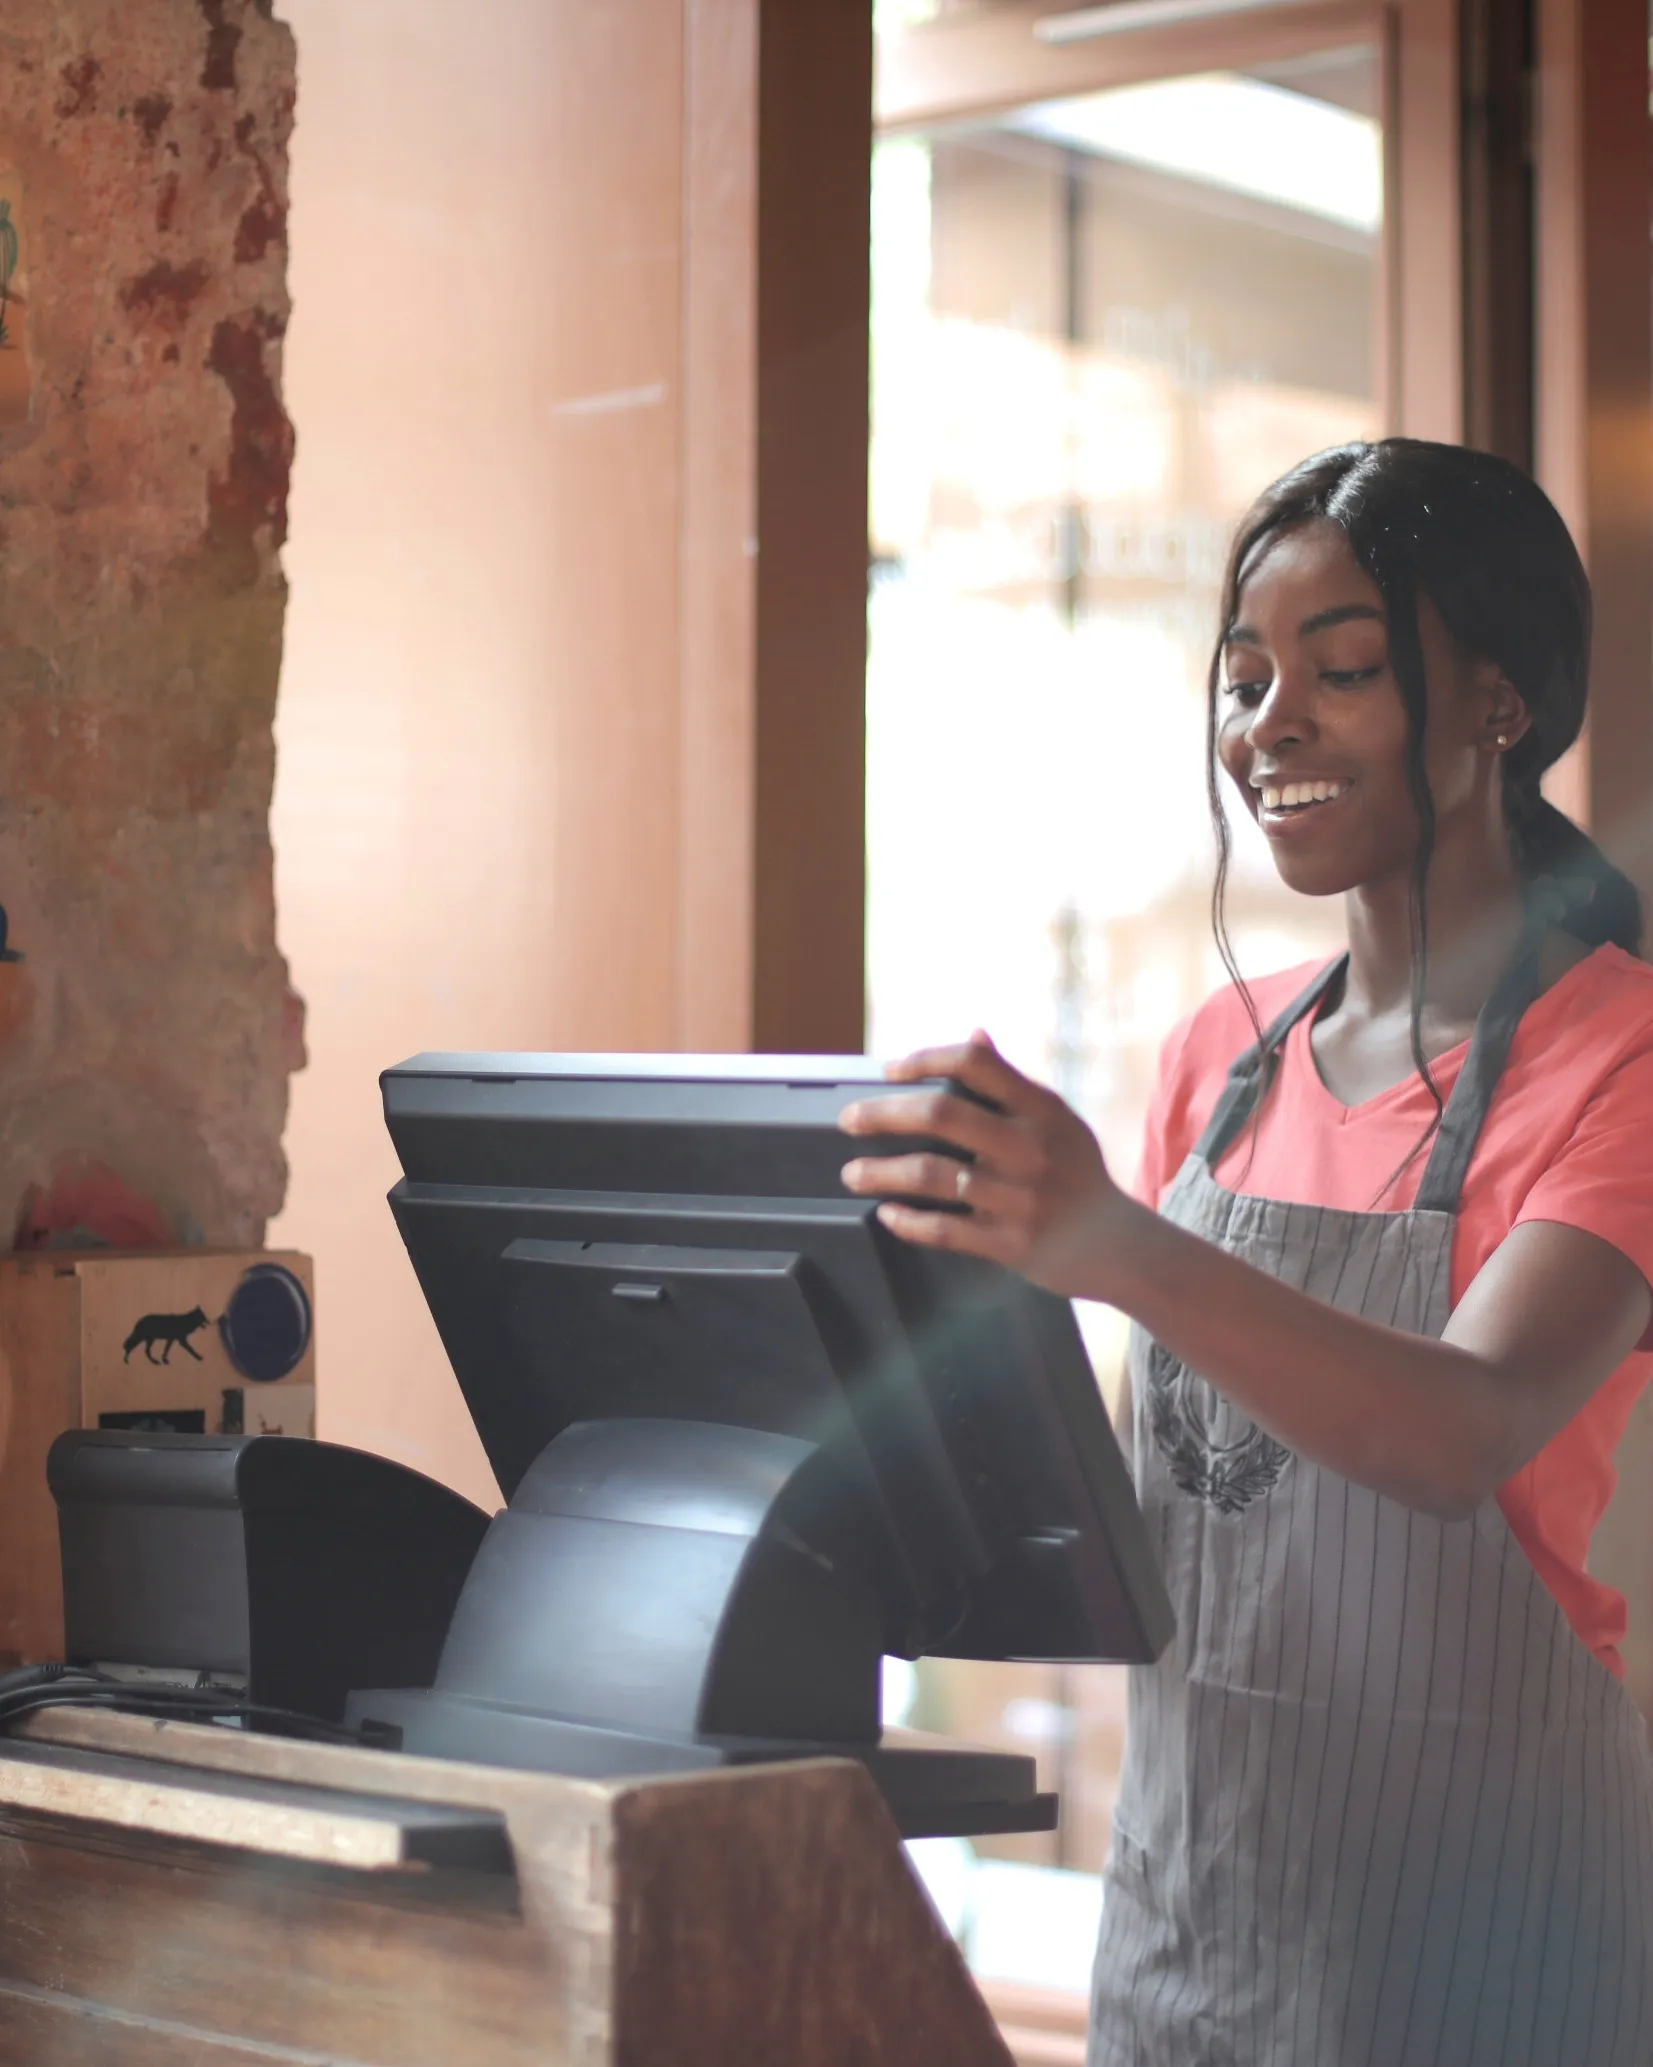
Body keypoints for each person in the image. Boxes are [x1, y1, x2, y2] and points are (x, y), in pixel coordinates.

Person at [839, 439, 1653, 2066]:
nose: (1268, 722)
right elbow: (1181, 1490)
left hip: (1495, 1937)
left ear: (1499, 702)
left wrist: (1112, 1241)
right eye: (1245, 675)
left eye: (1342, 670)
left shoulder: (1615, 1055)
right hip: (1198, 1910)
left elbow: (1461, 1426)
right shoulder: (1218, 1058)